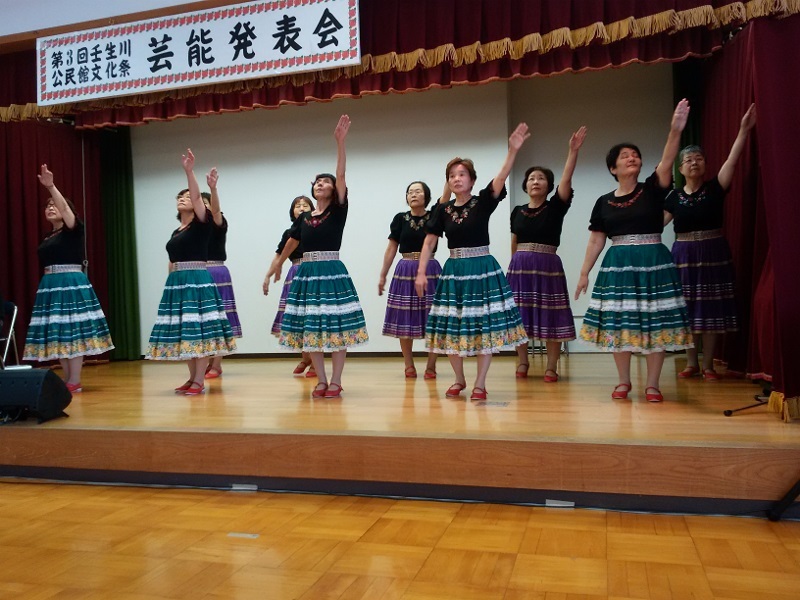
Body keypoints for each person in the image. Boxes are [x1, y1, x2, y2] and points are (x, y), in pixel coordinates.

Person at [575, 100, 693, 403]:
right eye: (624, 156)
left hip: (654, 260)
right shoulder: (603, 202)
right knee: (620, 322)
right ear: (613, 168)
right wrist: (584, 272)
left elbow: (666, 163)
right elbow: (595, 240)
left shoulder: (653, 189)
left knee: (658, 322)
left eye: (636, 155)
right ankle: (624, 381)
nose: (632, 158)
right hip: (618, 264)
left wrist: (675, 131)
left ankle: (653, 384)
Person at [415, 124, 530, 401]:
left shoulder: (482, 203)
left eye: (462, 174)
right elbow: (430, 241)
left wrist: (513, 150)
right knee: (451, 327)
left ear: (471, 180)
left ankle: (480, 383)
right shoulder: (441, 210)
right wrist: (420, 271)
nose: (457, 178)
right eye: (452, 175)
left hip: (482, 268)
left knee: (484, 327)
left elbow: (501, 178)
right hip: (454, 271)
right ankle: (459, 379)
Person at [264, 115, 368, 399]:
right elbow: (291, 241)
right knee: (311, 330)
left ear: (334, 190)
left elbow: (342, 175)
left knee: (336, 329)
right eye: (317, 182)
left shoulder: (338, 210)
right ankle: (320, 380)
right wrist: (276, 266)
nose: (320, 185)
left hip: (332, 272)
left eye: (325, 182)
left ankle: (336, 381)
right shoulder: (306, 216)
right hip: (307, 274)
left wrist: (340, 143)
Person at [664, 104, 756, 381]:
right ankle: (691, 362)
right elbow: (653, 224)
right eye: (689, 159)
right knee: (688, 308)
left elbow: (733, 159)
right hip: (683, 255)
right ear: (680, 168)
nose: (694, 162)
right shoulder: (673, 197)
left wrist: (743, 130)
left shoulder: (716, 187)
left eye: (699, 158)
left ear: (705, 165)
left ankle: (708, 365)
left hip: (714, 252)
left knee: (711, 308)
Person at [145, 150, 237, 395]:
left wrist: (189, 172)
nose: (184, 198)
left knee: (198, 330)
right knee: (185, 330)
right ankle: (191, 378)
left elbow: (198, 197)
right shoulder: (178, 231)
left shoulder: (201, 222)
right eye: (181, 196)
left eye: (188, 196)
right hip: (178, 282)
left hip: (197, 279)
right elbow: (172, 259)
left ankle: (199, 380)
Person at [22, 165, 114, 392]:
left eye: (54, 205)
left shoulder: (73, 229)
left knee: (72, 331)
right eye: (47, 206)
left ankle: (74, 379)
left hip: (70, 283)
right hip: (50, 286)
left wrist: (51, 186)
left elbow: (64, 208)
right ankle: (68, 379)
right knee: (59, 332)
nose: (51, 208)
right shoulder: (48, 236)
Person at [508, 126, 587, 382]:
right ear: (525, 184)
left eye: (541, 178)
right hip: (519, 268)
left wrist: (572, 151)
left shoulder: (555, 207)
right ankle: (523, 362)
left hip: (548, 266)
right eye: (531, 178)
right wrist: (512, 267)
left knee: (551, 316)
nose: (535, 181)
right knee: (519, 317)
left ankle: (551, 366)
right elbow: (514, 241)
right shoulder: (517, 211)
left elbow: (566, 179)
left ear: (548, 185)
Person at [378, 181, 441, 379]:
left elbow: (445, 199)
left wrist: (449, 177)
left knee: (435, 317)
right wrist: (382, 274)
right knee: (404, 317)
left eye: (418, 191)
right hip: (404, 269)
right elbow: (391, 248)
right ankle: (409, 364)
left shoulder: (434, 216)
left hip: (430, 269)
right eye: (410, 192)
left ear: (426, 196)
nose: (413, 195)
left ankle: (431, 365)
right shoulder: (400, 219)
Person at [266, 195, 316, 378]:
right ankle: (306, 358)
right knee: (298, 318)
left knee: (311, 317)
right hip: (295, 274)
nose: (301, 208)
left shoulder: (316, 228)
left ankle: (313, 363)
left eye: (305, 205)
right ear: (292, 211)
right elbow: (278, 255)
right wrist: (268, 275)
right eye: (297, 205)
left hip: (312, 273)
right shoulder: (288, 233)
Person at [202, 168, 243, 379]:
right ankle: (205, 363)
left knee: (219, 318)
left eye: (205, 203)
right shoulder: (190, 229)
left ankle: (216, 364)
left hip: (216, 272)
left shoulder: (217, 223)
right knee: (202, 320)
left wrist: (213, 189)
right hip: (196, 274)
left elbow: (216, 213)